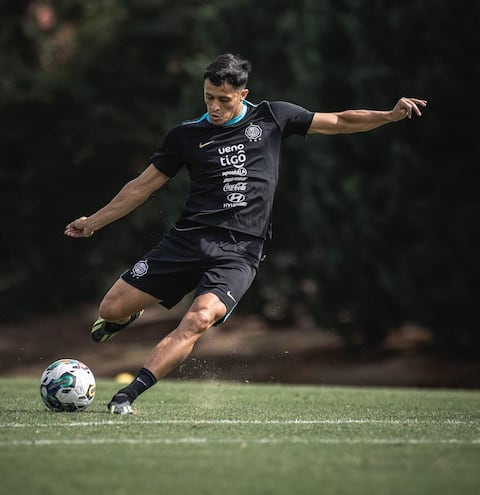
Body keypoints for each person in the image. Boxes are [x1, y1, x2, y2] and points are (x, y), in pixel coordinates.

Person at [65, 53, 427, 414]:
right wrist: (94, 221)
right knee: (109, 308)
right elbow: (140, 188)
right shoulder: (186, 136)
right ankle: (126, 316)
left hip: (240, 252)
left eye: (224, 99)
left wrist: (389, 115)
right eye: (209, 97)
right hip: (188, 239)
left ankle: (128, 395)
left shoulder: (272, 116)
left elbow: (339, 120)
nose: (215, 107)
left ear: (243, 94)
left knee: (199, 319)